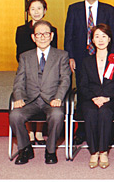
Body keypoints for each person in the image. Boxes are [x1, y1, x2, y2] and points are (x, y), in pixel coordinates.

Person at [64, 0, 114, 145]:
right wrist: (70, 56)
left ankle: (105, 130)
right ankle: (82, 130)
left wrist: (113, 59)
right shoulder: (74, 9)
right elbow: (69, 35)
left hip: (105, 58)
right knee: (83, 91)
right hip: (81, 58)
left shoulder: (108, 10)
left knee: (105, 89)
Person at [10, 20, 71, 165]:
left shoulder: (62, 55)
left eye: (46, 34)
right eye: (39, 34)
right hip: (30, 100)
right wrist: (18, 97)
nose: (42, 37)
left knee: (57, 115)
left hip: (51, 100)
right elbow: (19, 80)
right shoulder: (25, 57)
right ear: (33, 37)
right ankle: (25, 149)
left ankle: (50, 151)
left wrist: (58, 98)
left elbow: (65, 80)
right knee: (15, 115)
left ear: (52, 36)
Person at [78, 24, 114, 169]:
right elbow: (82, 85)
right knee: (91, 112)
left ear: (109, 39)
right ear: (92, 40)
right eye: (97, 36)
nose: (100, 40)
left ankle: (103, 151)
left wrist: (107, 97)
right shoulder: (86, 61)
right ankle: (93, 151)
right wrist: (94, 97)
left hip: (112, 100)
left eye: (104, 36)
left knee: (105, 111)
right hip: (91, 99)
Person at [15, 0, 58, 146]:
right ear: (28, 12)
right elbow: (19, 53)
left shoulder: (51, 30)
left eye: (39, 8)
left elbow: (54, 54)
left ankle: (39, 132)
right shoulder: (21, 30)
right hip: (28, 71)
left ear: (45, 11)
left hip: (46, 71)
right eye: (32, 9)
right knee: (29, 97)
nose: (36, 12)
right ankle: (30, 132)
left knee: (45, 93)